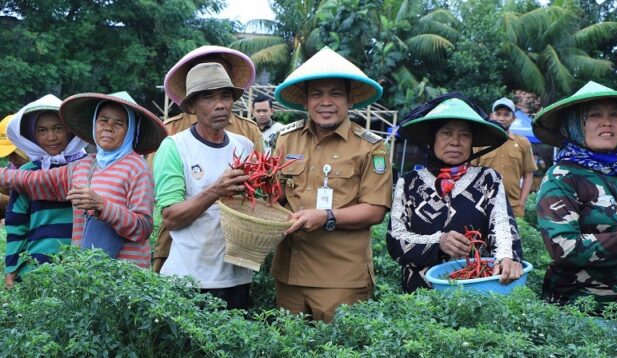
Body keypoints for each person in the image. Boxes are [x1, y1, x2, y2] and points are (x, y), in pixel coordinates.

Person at [272, 47, 392, 322]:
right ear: (305, 101)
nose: (326, 102)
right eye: (317, 94)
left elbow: (375, 210)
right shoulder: (286, 140)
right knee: (287, 347)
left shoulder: (371, 147)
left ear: (350, 100)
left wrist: (325, 216)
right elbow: (275, 196)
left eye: (336, 93)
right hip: (289, 273)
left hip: (341, 278)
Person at [0, 92, 166, 269]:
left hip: (125, 278)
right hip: (89, 278)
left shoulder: (137, 168)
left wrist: (102, 206)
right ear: (94, 124)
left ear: (131, 129)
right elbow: (34, 180)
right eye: (103, 120)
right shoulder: (84, 165)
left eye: (119, 123)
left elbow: (143, 227)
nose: (109, 127)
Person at [386, 96, 524, 293]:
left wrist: (506, 257)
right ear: (432, 138)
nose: (455, 142)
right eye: (446, 134)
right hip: (420, 298)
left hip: (477, 292)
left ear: (472, 142)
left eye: (465, 135)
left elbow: (502, 226)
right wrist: (438, 242)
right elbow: (395, 240)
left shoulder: (488, 179)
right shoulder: (409, 183)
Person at [533, 81, 617, 325]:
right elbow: (563, 247)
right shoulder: (562, 177)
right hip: (583, 310)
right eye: (595, 115)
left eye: (615, 114)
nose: (607, 121)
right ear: (574, 125)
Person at [150, 45, 261, 273]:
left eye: (225, 96)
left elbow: (256, 203)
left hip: (237, 274)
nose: (219, 105)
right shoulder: (174, 146)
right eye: (208, 97)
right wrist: (215, 190)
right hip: (189, 275)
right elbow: (170, 217)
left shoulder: (245, 145)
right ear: (191, 105)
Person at [4, 94, 87, 288]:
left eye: (58, 128)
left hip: (79, 268)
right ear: (32, 135)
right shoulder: (26, 173)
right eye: (42, 130)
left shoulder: (87, 167)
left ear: (70, 129)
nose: (51, 137)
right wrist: (11, 270)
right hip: (34, 267)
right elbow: (17, 224)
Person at [473, 97, 537, 217]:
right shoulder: (480, 141)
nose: (501, 118)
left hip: (513, 207)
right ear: (492, 116)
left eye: (506, 114)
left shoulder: (523, 142)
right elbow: (470, 172)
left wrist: (521, 202)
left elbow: (528, 174)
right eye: (498, 114)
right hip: (483, 204)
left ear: (513, 118)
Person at [0, 114, 28, 220]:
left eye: (14, 153)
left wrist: (4, 202)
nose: (11, 159)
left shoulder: (51, 170)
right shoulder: (12, 167)